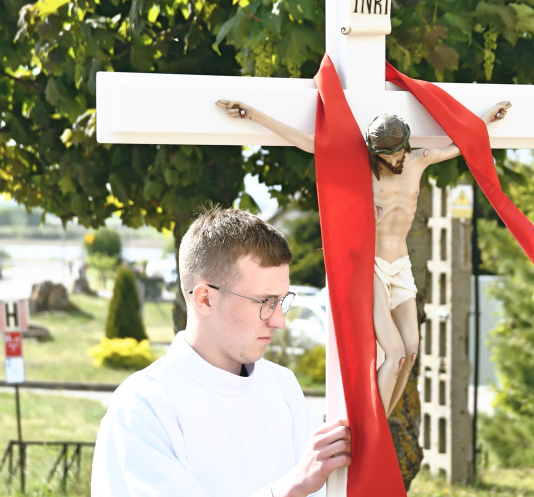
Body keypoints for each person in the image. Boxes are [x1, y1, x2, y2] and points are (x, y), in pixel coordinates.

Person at [91, 206, 352, 497]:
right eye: (264, 302)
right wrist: (291, 489)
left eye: (283, 300)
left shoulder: (281, 388)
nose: (279, 321)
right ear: (204, 297)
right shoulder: (143, 405)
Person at [215, 98, 511, 416]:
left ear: (406, 146)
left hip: (402, 265)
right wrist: (253, 112)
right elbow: (308, 142)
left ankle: (381, 422)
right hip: (372, 266)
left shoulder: (420, 160)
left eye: (394, 153)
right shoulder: (361, 165)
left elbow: (462, 144)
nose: (389, 160)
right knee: (394, 352)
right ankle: (372, 431)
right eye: (382, 155)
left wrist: (487, 120)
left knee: (411, 351)